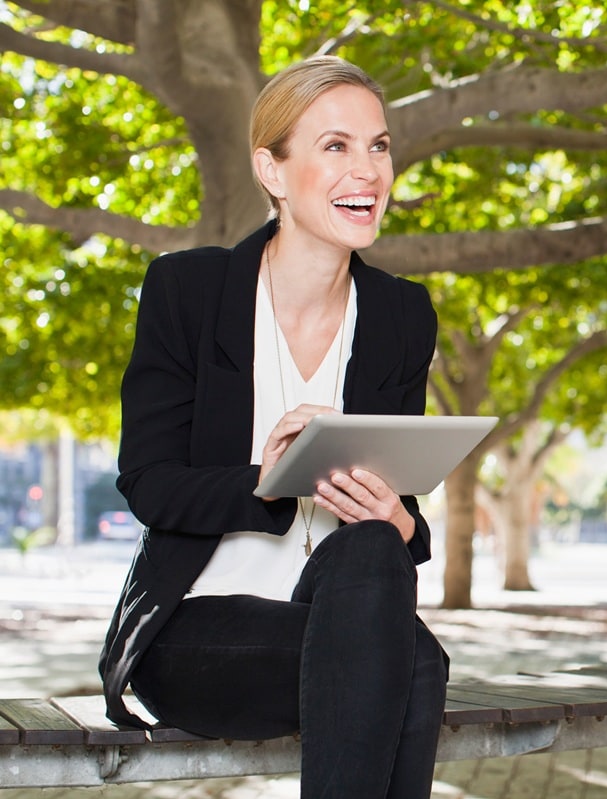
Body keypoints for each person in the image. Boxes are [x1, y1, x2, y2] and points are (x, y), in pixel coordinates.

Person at [98, 55, 447, 798]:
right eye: (336, 146)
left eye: (379, 146)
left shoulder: (400, 315)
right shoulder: (187, 291)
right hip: (196, 631)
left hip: (343, 607)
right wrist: (269, 478)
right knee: (414, 661)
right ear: (273, 171)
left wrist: (401, 521)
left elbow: (401, 502)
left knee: (377, 552)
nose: (369, 169)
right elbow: (149, 485)